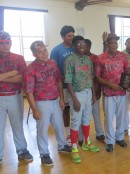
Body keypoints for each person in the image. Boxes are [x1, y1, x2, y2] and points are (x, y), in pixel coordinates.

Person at [0, 31, 33, 173]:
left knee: (17, 124)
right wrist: (11, 73)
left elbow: (22, 78)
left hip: (15, 96)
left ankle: (22, 150)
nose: (4, 45)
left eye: (7, 42)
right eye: (1, 42)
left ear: (11, 42)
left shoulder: (18, 58)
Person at [24, 41, 71, 166]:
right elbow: (29, 92)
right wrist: (35, 110)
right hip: (41, 102)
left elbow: (59, 81)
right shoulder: (31, 69)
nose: (44, 53)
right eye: (40, 52)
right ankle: (44, 153)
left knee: (59, 124)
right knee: (42, 129)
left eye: (44, 50)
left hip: (55, 100)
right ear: (34, 54)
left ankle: (62, 145)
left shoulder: (52, 63)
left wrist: (61, 98)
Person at [64, 36, 99, 164]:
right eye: (79, 44)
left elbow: (91, 77)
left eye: (83, 44)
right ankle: (74, 149)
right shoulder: (70, 60)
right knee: (75, 120)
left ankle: (86, 143)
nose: (82, 46)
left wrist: (93, 94)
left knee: (86, 119)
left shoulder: (87, 59)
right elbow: (67, 82)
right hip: (77, 94)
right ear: (74, 45)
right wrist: (75, 99)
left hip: (88, 91)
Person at [95, 33, 129, 152]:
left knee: (121, 117)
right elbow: (97, 77)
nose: (114, 45)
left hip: (121, 92)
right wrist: (110, 84)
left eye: (115, 43)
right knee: (109, 118)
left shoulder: (123, 56)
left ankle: (119, 138)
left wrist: (128, 85)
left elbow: (127, 72)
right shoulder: (101, 58)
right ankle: (109, 141)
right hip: (108, 93)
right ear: (107, 44)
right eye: (111, 43)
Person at [50, 25, 75, 146]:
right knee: (66, 109)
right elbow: (54, 69)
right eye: (69, 36)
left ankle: (77, 132)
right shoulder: (56, 50)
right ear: (63, 36)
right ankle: (68, 132)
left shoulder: (76, 47)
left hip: (77, 86)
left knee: (76, 108)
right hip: (64, 86)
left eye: (72, 35)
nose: (71, 38)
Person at [79, 39, 105, 144]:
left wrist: (97, 91)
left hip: (94, 91)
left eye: (85, 46)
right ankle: (81, 137)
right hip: (81, 91)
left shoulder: (95, 58)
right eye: (82, 46)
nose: (83, 48)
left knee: (96, 113)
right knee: (82, 114)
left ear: (89, 46)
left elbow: (97, 76)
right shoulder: (78, 59)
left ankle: (100, 133)